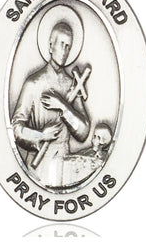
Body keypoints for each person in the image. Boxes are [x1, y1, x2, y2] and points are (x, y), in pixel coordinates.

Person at [11, 22, 91, 187]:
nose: (65, 51)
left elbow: (83, 132)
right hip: (39, 165)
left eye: (68, 46)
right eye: (61, 44)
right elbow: (16, 128)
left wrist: (63, 107)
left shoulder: (73, 85)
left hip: (65, 165)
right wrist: (40, 135)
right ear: (50, 45)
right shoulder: (33, 83)